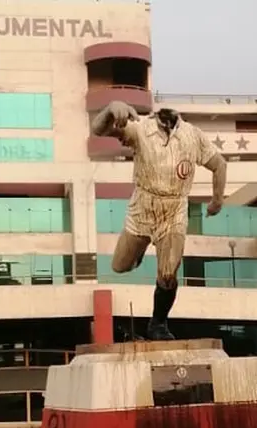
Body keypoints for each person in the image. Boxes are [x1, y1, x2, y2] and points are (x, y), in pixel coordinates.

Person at [91, 101, 228, 340]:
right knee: (119, 266)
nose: (166, 123)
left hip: (174, 208)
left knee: (168, 274)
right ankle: (139, 250)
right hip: (143, 205)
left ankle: (158, 323)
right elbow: (98, 129)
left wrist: (217, 200)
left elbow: (219, 164)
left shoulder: (192, 135)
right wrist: (110, 109)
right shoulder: (141, 128)